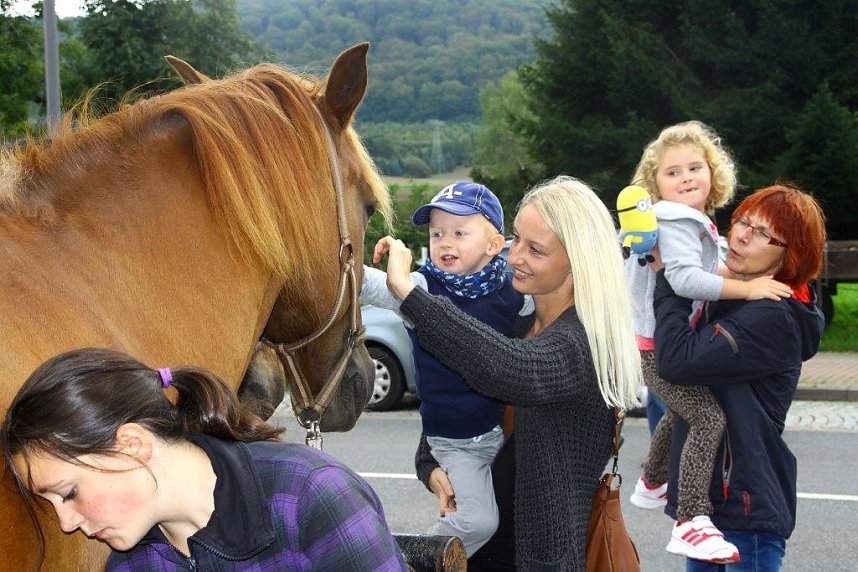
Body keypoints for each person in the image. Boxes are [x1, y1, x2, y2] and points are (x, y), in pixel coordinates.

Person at [375, 175, 642, 571]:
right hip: (479, 554)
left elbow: (512, 370)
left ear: (577, 260)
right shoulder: (518, 323)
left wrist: (410, 294)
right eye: (516, 238)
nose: (514, 256)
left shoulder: (582, 342)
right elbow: (456, 398)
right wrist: (430, 465)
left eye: (535, 249)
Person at [1, 348, 407, 571]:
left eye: (68, 493)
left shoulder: (309, 496)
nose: (66, 523)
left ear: (133, 445)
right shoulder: (132, 565)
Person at [625, 121, 791, 563]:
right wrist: (748, 288)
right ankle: (691, 520)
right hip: (656, 347)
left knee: (682, 407)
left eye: (694, 168)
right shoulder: (675, 219)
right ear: (654, 184)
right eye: (672, 172)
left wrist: (736, 275)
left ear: (713, 173)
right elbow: (682, 279)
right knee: (707, 418)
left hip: (651, 342)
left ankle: (652, 480)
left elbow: (698, 270)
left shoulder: (691, 222)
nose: (686, 178)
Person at [652, 183, 826, 571]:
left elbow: (676, 360)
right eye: (743, 221)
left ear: (790, 254)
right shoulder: (739, 294)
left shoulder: (772, 315)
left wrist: (670, 278)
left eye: (762, 233)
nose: (742, 235)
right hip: (715, 506)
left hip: (745, 509)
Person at [362, 180, 532, 556]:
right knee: (479, 521)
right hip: (457, 443)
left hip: (500, 433)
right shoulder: (421, 289)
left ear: (493, 245)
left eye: (459, 232)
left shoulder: (514, 292)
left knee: (503, 529)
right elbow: (367, 285)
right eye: (437, 233)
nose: (445, 242)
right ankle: (409, 560)